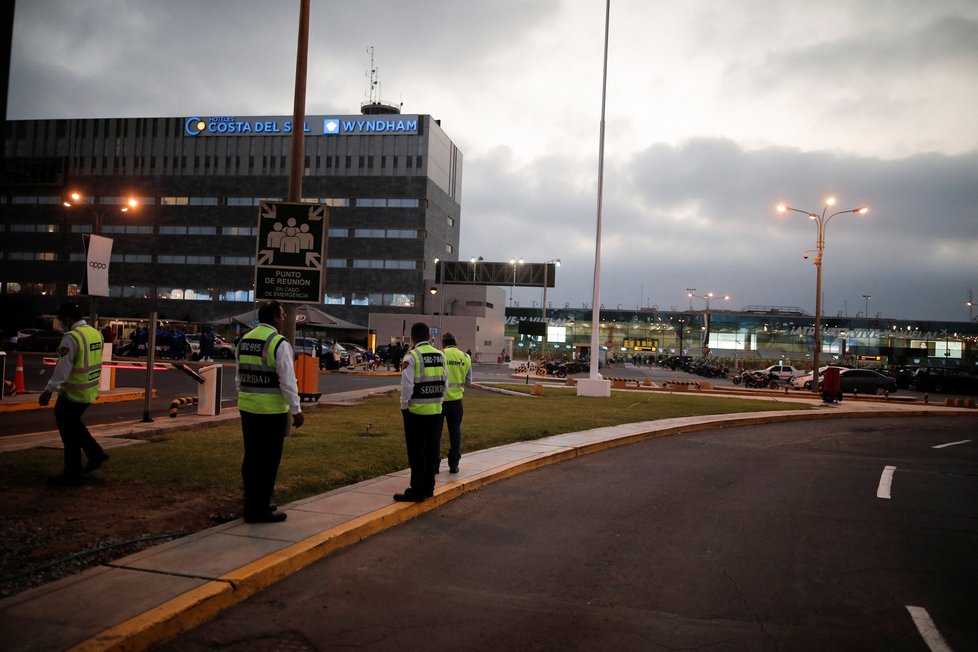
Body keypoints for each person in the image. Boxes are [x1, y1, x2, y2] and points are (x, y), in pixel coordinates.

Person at [236, 300, 304, 523]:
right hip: (271, 411)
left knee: (252, 457)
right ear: (276, 317)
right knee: (268, 460)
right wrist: (296, 410)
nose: (284, 318)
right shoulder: (278, 343)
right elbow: (287, 382)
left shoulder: (244, 340)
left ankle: (251, 503)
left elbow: (239, 376)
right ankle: (260, 508)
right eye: (282, 314)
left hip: (247, 408)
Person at [39, 302, 109, 486]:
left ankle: (73, 473)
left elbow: (63, 367)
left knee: (69, 434)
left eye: (61, 318)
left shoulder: (72, 337)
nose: (60, 322)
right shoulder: (96, 334)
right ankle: (95, 454)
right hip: (89, 390)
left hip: (72, 392)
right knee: (74, 426)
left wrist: (48, 390)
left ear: (68, 318)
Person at [395, 322, 446, 502]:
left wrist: (404, 406)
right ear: (428, 336)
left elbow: (407, 386)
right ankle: (429, 487)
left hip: (416, 412)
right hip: (436, 410)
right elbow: (444, 382)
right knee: (432, 450)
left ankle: (417, 490)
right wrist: (439, 401)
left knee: (416, 452)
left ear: (414, 337)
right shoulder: (440, 355)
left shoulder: (412, 356)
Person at [440, 333, 472, 474]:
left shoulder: (440, 355)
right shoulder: (465, 357)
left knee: (436, 433)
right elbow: (469, 381)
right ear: (456, 343)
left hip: (439, 401)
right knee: (455, 433)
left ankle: (435, 465)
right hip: (456, 401)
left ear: (443, 344)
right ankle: (454, 464)